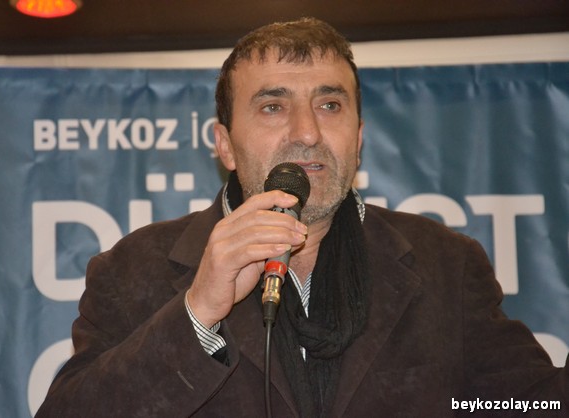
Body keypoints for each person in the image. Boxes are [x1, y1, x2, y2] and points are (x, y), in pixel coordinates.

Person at [36, 17, 567, 417]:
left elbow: (530, 404)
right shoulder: (134, 269)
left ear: (358, 139)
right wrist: (197, 314)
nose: (308, 132)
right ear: (225, 145)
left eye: (330, 105)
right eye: (273, 106)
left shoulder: (445, 263)